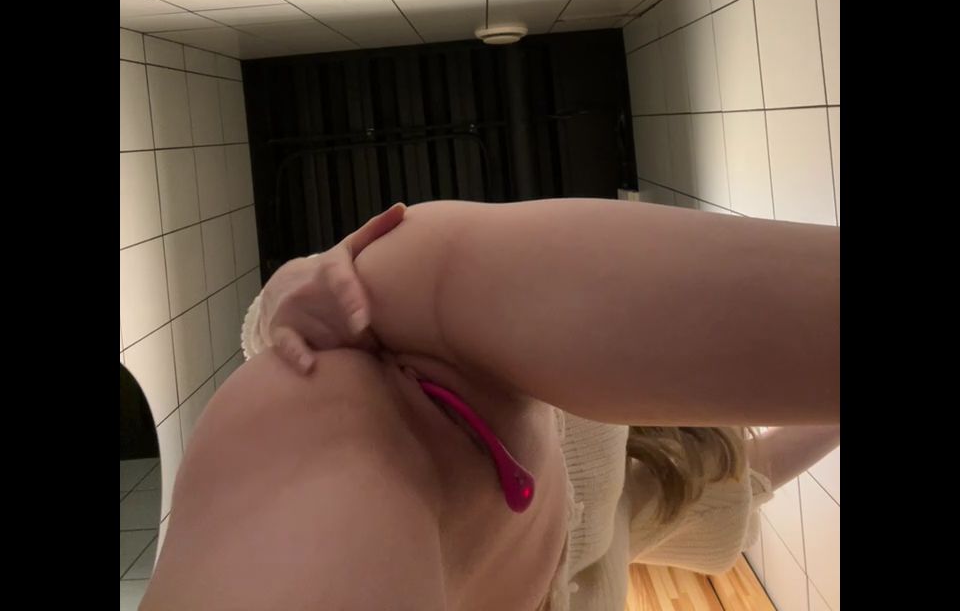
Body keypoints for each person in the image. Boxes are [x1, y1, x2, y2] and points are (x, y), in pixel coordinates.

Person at [143, 199, 840, 611]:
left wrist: (280, 300)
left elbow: (739, 477)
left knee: (341, 342)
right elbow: (748, 476)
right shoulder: (631, 502)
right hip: (417, 339)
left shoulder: (636, 489)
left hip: (399, 346)